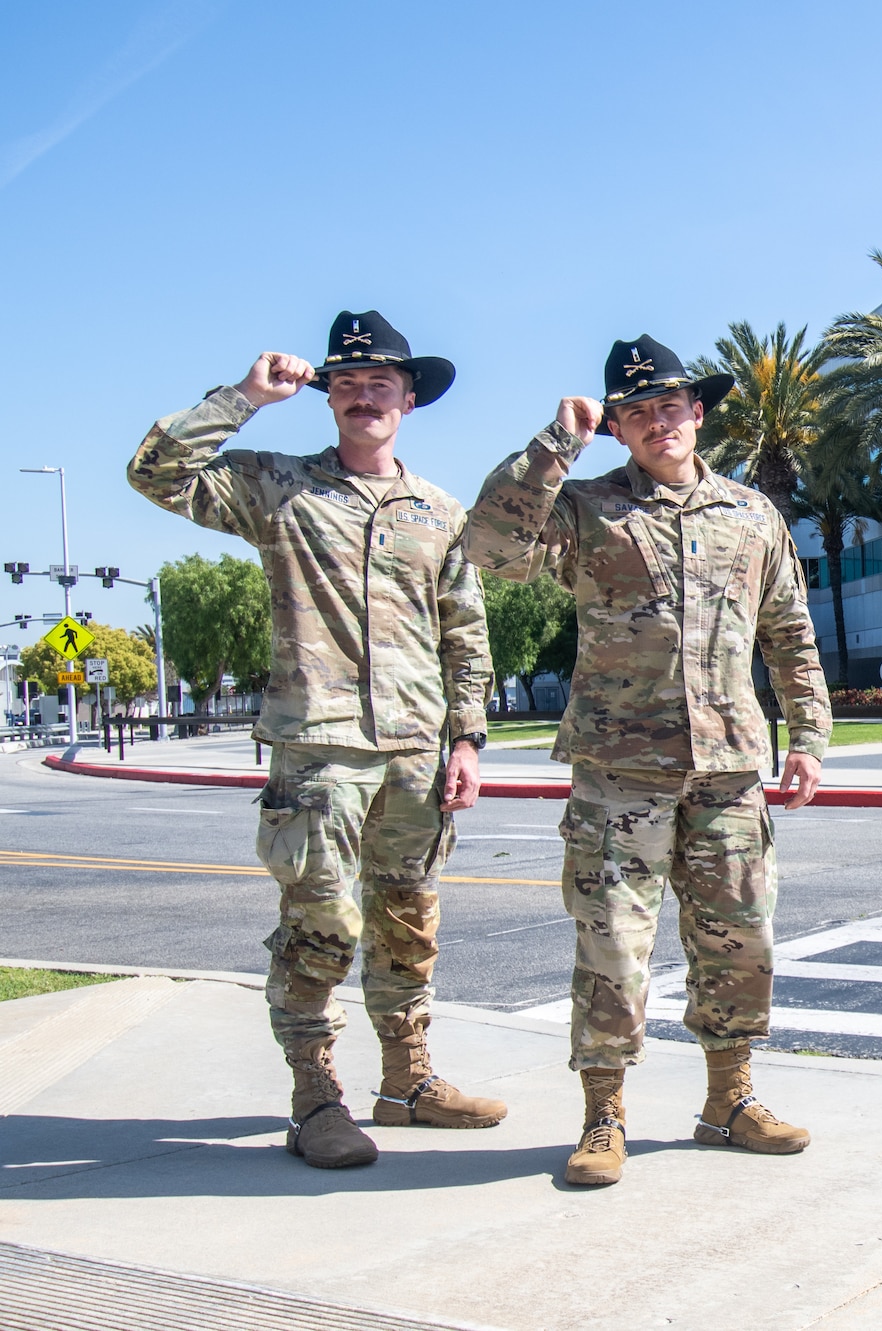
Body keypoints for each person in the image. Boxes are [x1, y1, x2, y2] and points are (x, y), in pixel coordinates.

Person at [128, 311, 504, 1170]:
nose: (363, 395)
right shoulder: (277, 488)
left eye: (380, 383)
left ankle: (407, 1081)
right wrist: (245, 398)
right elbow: (155, 471)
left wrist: (468, 739)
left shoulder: (438, 511)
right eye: (346, 383)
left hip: (415, 749)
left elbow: (464, 634)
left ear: (409, 399)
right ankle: (314, 1097)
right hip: (320, 748)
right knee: (322, 923)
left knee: (409, 921)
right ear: (326, 397)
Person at [465, 334, 831, 1187]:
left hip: (729, 771)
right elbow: (488, 545)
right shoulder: (586, 506)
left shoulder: (751, 514)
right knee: (613, 948)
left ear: (697, 414)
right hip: (618, 772)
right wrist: (556, 444)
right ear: (618, 430)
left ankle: (729, 1099)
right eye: (636, 412)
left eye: (670, 405)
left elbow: (789, 633)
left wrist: (809, 735)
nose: (658, 422)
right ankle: (603, 1115)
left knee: (739, 943)